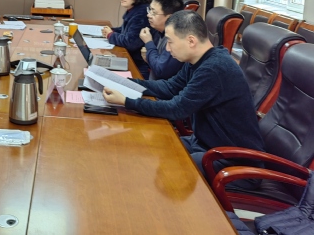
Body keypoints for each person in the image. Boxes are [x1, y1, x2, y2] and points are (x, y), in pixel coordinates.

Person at [102, 11, 264, 186]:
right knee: (153, 146)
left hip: (233, 162)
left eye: (170, 42)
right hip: (205, 145)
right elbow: (169, 87)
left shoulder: (214, 68)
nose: (167, 48)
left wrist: (127, 101)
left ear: (191, 41)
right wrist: (124, 83)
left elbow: (176, 109)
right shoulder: (198, 60)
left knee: (173, 167)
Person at [101, 0, 151, 78]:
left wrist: (110, 35)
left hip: (138, 65)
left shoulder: (141, 13)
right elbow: (125, 30)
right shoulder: (134, 9)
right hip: (131, 59)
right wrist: (111, 31)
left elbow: (130, 42)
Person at [139, 0, 184, 80]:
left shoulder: (175, 39)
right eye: (149, 10)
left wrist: (148, 42)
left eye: (154, 12)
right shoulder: (158, 30)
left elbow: (160, 70)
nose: (148, 15)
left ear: (170, 17)